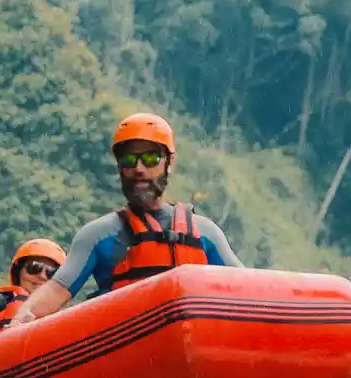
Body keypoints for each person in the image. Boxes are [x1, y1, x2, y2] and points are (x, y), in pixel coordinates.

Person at [14, 112, 243, 324]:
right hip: (128, 347)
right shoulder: (98, 236)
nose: (139, 169)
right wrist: (20, 320)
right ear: (120, 168)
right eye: (129, 160)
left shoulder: (206, 233)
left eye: (151, 158)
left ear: (169, 162)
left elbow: (247, 288)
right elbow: (57, 290)